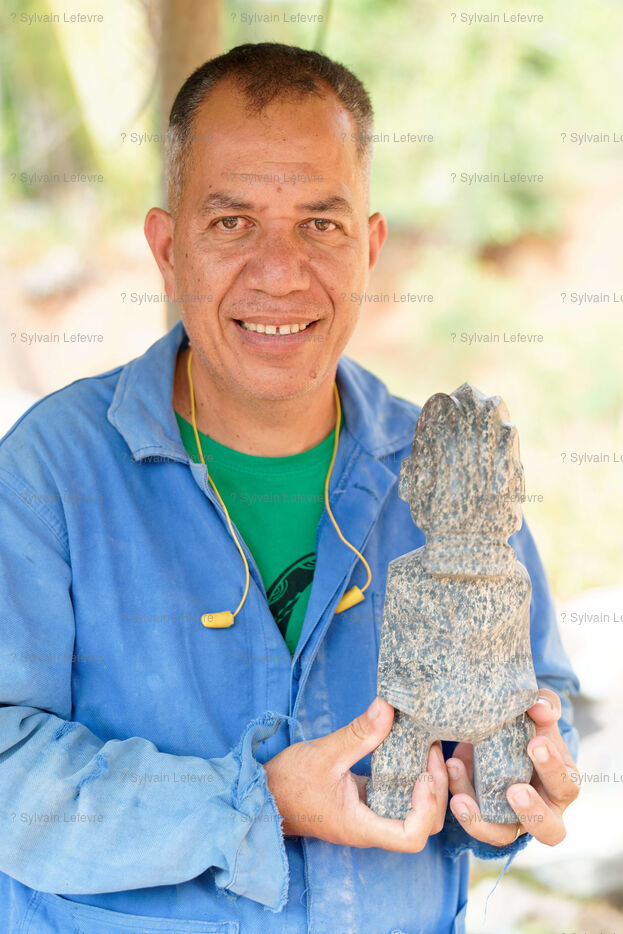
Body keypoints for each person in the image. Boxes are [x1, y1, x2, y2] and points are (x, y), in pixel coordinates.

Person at [0, 43, 580, 934]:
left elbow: (539, 701)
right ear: (167, 248)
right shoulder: (52, 469)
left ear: (370, 246)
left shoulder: (447, 467)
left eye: (320, 224)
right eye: (232, 222)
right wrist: (254, 804)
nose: (279, 272)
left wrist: (507, 788)